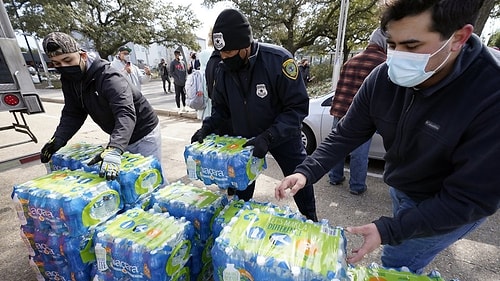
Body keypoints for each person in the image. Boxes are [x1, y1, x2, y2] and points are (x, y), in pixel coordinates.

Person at [275, 0, 500, 274]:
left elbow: (470, 199)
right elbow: (345, 133)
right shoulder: (383, 77)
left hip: (446, 203)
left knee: (396, 261)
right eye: (392, 44)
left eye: (412, 46)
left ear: (458, 38)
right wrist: (306, 172)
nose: (397, 57)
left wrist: (388, 230)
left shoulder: (490, 94)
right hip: (403, 185)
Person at [191, 9, 318, 222]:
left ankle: (311, 219)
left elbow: (296, 107)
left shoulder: (278, 61)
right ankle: (240, 225)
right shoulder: (223, 69)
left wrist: (269, 136)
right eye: (221, 54)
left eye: (229, 54)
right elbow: (221, 110)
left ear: (245, 45)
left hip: (283, 137)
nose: (224, 58)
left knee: (299, 182)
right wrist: (207, 127)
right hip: (247, 142)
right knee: (242, 192)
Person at [40, 32, 162, 181]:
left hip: (143, 132)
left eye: (67, 60)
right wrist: (58, 139)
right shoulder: (70, 81)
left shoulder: (108, 77)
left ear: (82, 56)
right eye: (57, 64)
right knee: (128, 181)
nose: (64, 67)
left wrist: (115, 148)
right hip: (119, 134)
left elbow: (125, 113)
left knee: (149, 178)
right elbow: (73, 113)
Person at [328, 28, 387, 195]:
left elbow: (339, 89)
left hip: (340, 110)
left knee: (337, 147)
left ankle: (335, 177)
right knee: (359, 153)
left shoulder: (351, 61)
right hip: (361, 116)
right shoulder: (384, 62)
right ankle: (357, 186)